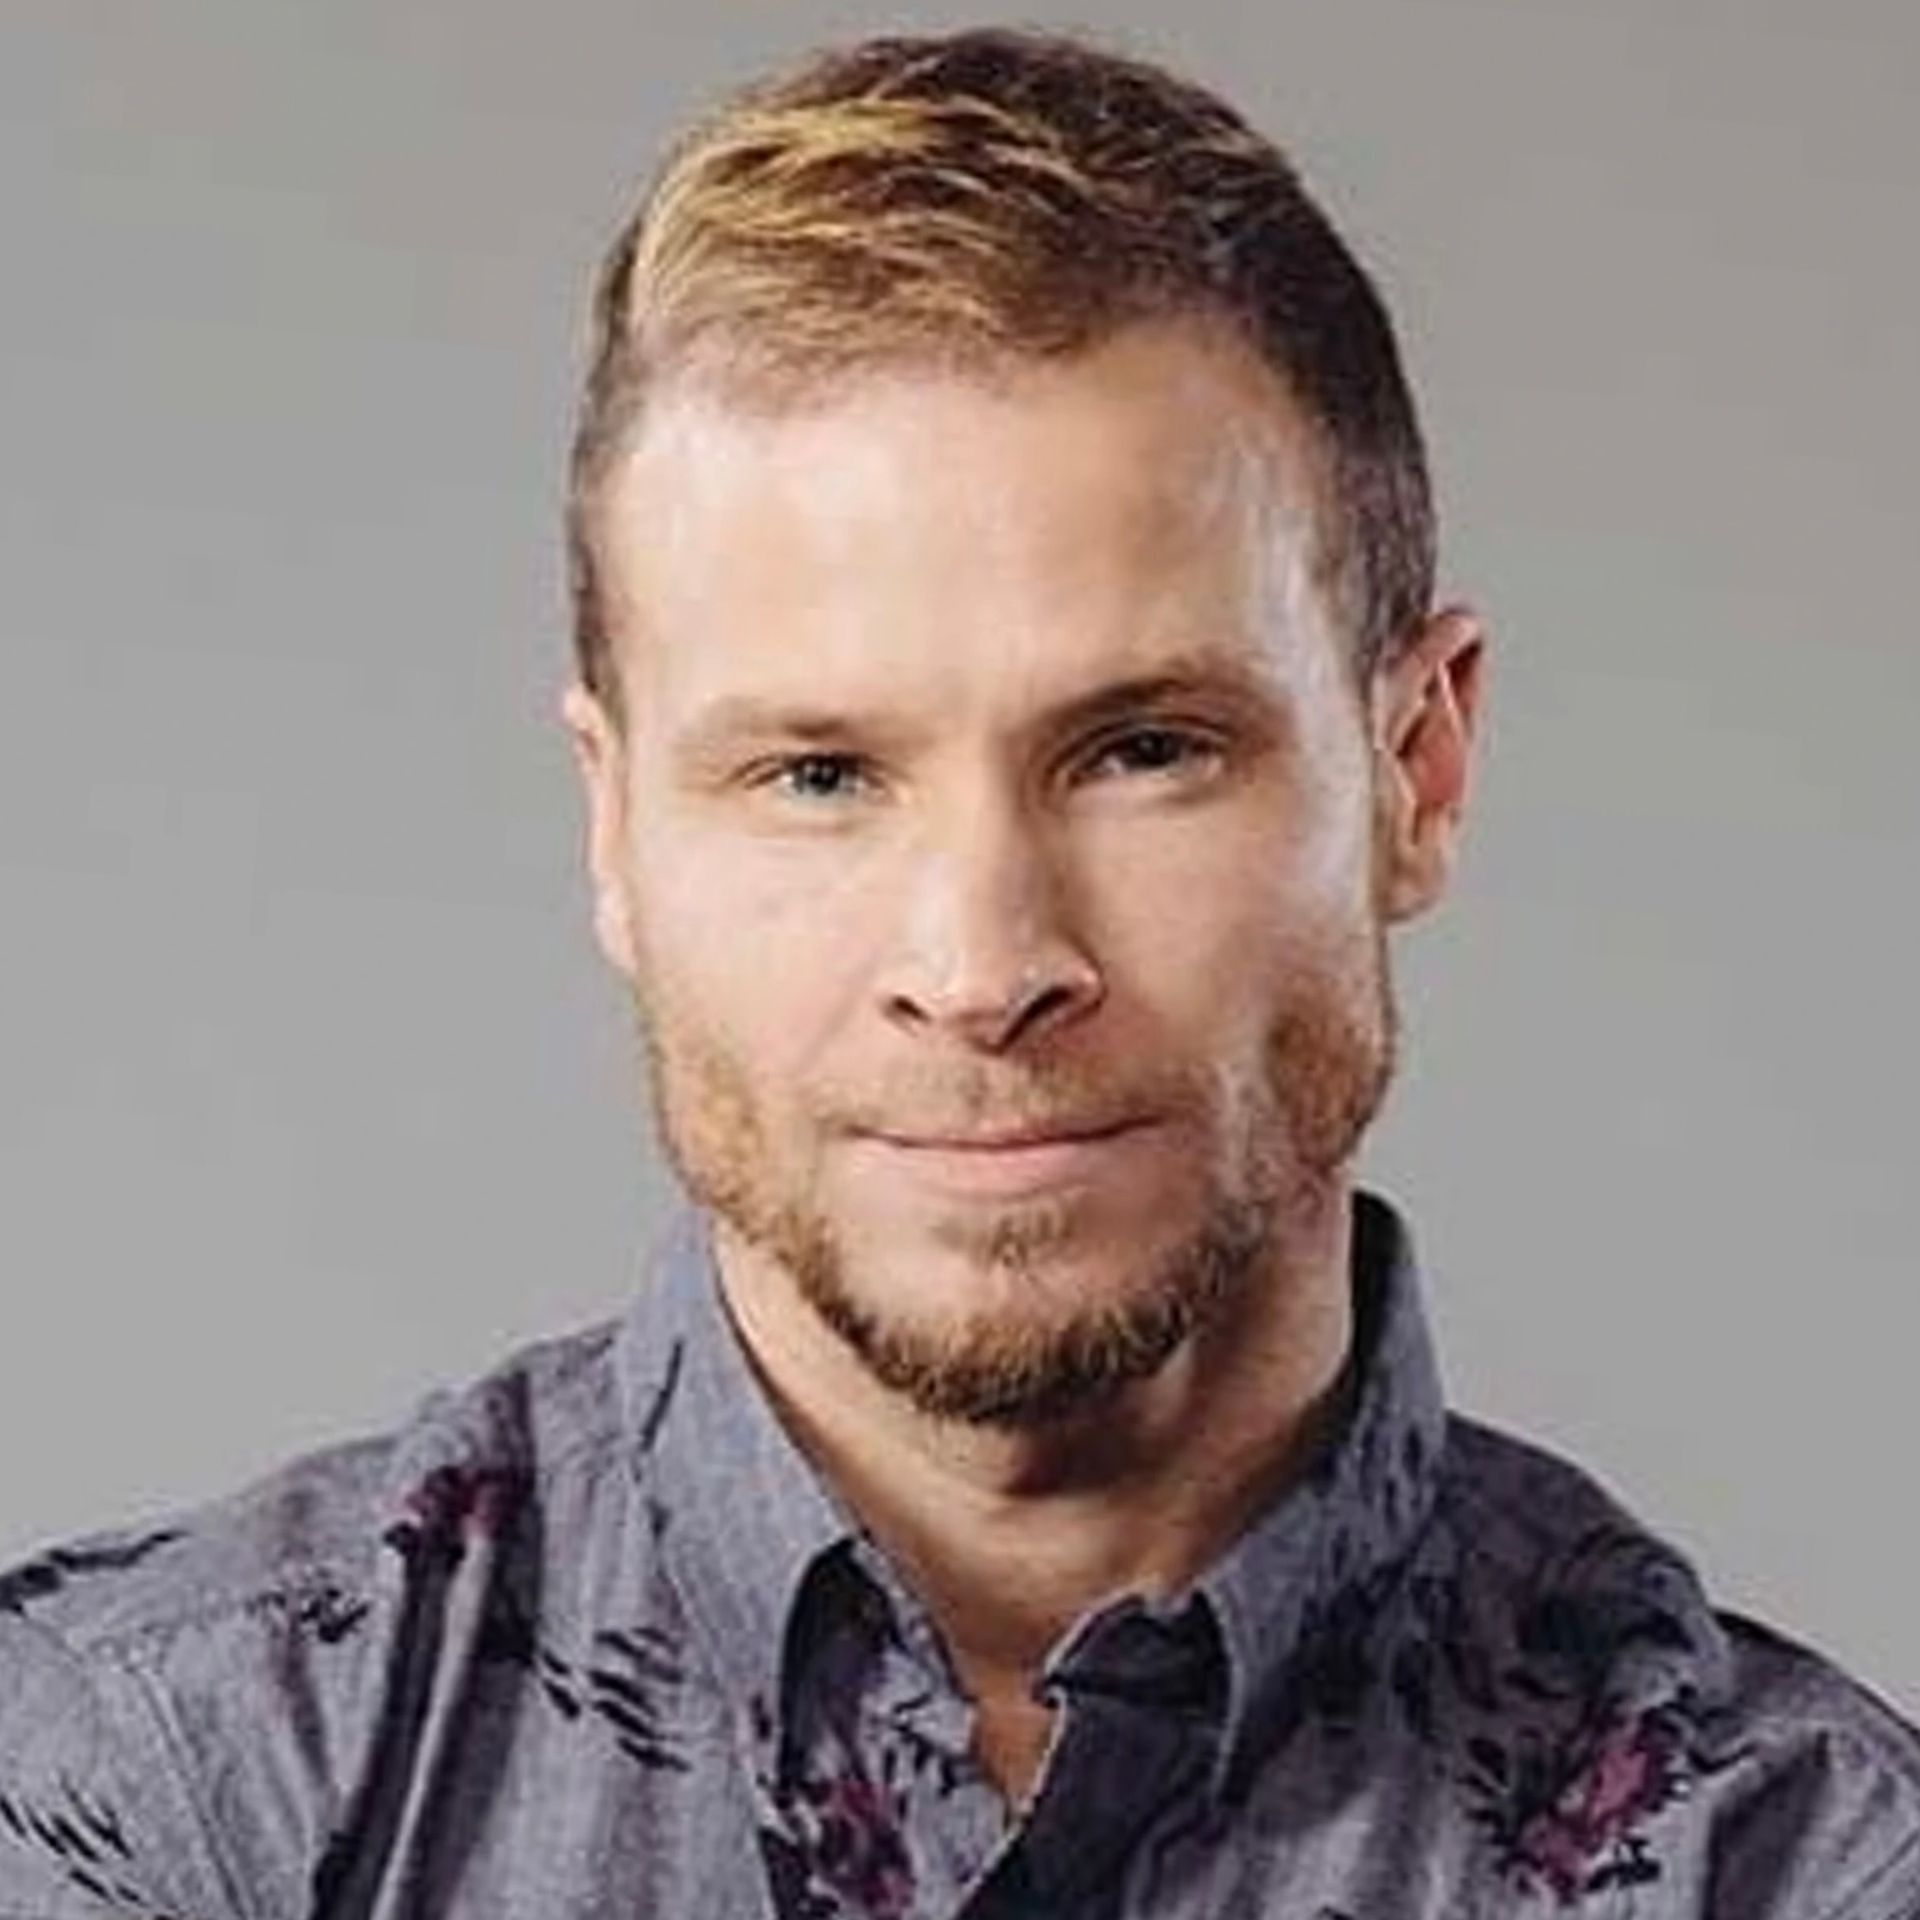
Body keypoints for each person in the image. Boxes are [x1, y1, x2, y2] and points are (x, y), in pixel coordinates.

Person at [2, 24, 1915, 1917]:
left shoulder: (1795, 1868)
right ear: (614, 828)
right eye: (817, 776)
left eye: (1144, 750)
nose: (983, 965)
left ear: (1417, 769)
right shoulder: (154, 1788)